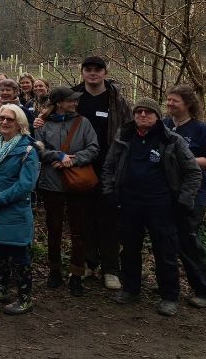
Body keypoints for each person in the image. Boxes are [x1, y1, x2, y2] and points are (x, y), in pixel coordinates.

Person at [103, 97, 200, 317]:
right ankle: (130, 289)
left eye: (148, 112)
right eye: (139, 112)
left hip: (161, 205)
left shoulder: (171, 140)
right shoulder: (124, 136)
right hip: (129, 204)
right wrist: (109, 191)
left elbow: (193, 172)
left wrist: (184, 199)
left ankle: (169, 296)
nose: (143, 115)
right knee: (129, 250)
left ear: (157, 116)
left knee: (165, 251)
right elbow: (109, 167)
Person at [71, 56, 131, 290]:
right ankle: (87, 263)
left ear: (105, 72)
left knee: (109, 219)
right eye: (88, 69)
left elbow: (128, 131)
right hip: (79, 167)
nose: (93, 73)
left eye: (98, 69)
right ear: (82, 72)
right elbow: (54, 119)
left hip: (110, 168)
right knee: (83, 218)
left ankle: (111, 269)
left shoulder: (116, 100)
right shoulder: (74, 97)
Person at [34, 87, 99, 296]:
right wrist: (58, 156)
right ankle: (54, 271)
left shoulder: (83, 122)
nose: (75, 104)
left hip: (77, 183)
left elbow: (93, 148)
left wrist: (72, 160)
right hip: (51, 184)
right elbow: (38, 148)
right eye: (71, 101)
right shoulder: (42, 123)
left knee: (78, 231)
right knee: (54, 229)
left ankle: (77, 274)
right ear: (59, 102)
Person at [0, 104, 40, 315]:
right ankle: (1, 289)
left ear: (20, 124)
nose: (4, 122)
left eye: (9, 119)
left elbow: (25, 185)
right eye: (1, 118)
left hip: (14, 211)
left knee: (20, 254)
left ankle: (24, 298)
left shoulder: (28, 150)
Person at [164, 84, 206, 308]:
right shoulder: (164, 125)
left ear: (187, 104)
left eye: (174, 101)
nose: (169, 104)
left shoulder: (200, 130)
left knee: (189, 242)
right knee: (167, 241)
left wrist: (182, 160)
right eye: (168, 100)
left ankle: (205, 291)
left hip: (194, 194)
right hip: (167, 193)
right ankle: (169, 285)